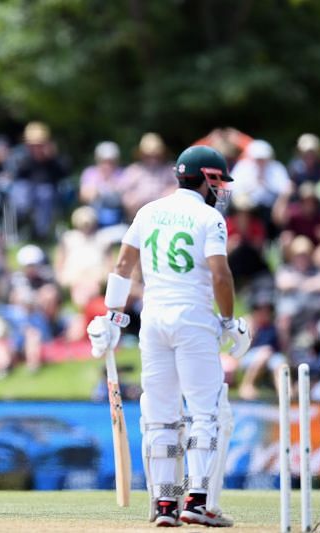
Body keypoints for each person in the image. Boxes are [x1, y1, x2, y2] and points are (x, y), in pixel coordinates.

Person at [87, 145, 251, 527]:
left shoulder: (149, 211)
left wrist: (112, 316)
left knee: (160, 416)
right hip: (193, 320)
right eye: (219, 181)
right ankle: (197, 501)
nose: (221, 190)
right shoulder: (208, 218)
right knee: (206, 413)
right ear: (208, 178)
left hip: (154, 321)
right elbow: (221, 275)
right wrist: (228, 320)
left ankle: (166, 505)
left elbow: (124, 264)